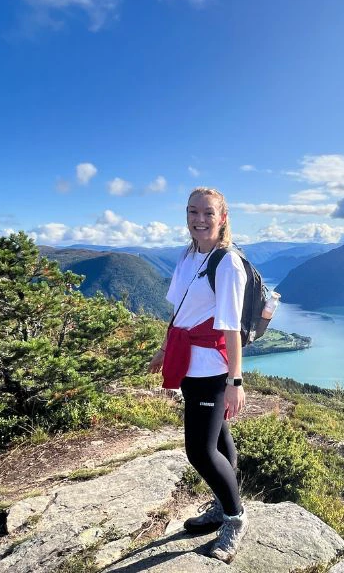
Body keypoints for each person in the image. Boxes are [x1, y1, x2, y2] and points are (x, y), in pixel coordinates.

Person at [148, 187, 248, 564]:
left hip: (212, 368)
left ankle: (235, 520)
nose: (199, 219)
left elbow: (231, 328)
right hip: (187, 361)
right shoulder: (190, 255)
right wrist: (164, 347)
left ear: (222, 217)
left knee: (200, 451)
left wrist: (234, 381)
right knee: (219, 439)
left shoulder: (227, 264)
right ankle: (224, 505)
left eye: (208, 213)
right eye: (193, 212)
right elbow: (180, 311)